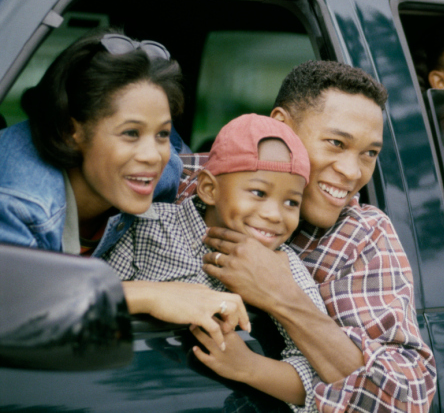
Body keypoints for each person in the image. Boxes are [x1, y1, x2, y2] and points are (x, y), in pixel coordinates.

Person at [195, 61, 438, 412]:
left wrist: (284, 297)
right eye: (336, 143)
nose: (353, 172)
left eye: (369, 153)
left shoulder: (360, 235)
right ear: (281, 127)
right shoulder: (193, 178)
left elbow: (403, 402)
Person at [0, 29, 247, 348]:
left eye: (161, 134)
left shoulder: (165, 170)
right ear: (69, 130)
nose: (152, 156)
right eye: (130, 133)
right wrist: (146, 295)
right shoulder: (20, 204)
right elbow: (12, 309)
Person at [103, 113, 326, 413]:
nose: (275, 215)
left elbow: (320, 382)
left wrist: (249, 366)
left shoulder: (285, 268)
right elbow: (95, 299)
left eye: (291, 202)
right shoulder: (149, 226)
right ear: (209, 189)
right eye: (258, 193)